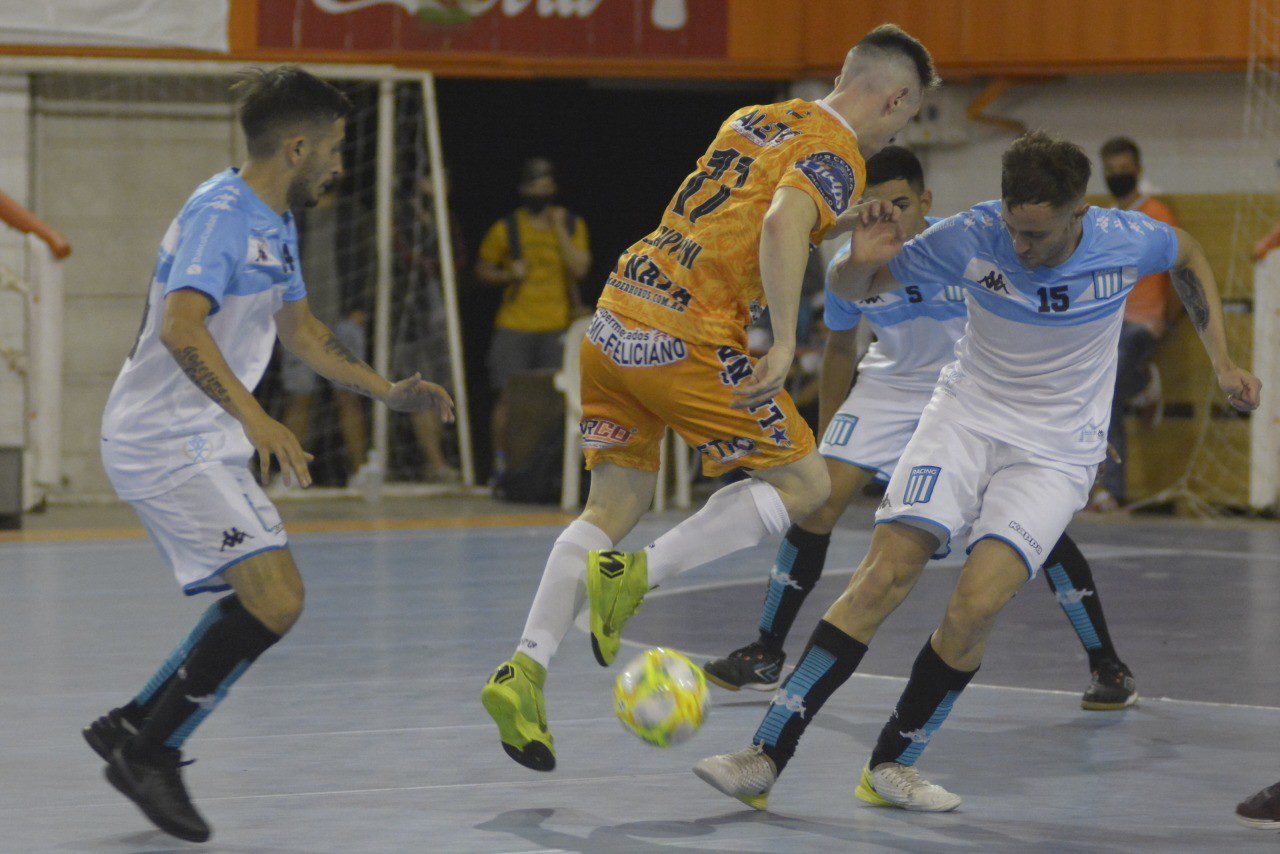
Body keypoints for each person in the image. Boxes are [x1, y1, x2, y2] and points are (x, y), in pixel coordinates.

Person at [694, 130, 1259, 813]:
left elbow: (1189, 256)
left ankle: (892, 767)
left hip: (1055, 452)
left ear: (1078, 214)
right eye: (1014, 229)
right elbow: (858, 287)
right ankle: (766, 754)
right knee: (882, 578)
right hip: (964, 420)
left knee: (976, 605)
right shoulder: (972, 235)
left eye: (1037, 235)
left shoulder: (1127, 238)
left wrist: (1224, 362)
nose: (1020, 248)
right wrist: (853, 267)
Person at [481, 24, 937, 773]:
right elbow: (781, 221)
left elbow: (741, 213)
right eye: (909, 112)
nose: (902, 124)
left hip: (617, 311)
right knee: (807, 485)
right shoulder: (839, 152)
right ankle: (635, 579)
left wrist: (846, 221)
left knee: (612, 506)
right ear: (894, 97)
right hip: (689, 334)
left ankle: (523, 671)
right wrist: (786, 338)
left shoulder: (753, 117)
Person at [87, 66, 453, 842]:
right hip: (163, 441)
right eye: (334, 151)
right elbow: (182, 328)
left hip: (202, 439)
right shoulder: (222, 214)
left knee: (263, 595)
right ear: (296, 147)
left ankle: (133, 725)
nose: (339, 166)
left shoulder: (274, 215)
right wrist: (258, 420)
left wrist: (387, 392)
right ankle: (150, 753)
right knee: (277, 597)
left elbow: (303, 334)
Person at [704, 145, 1137, 711]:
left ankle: (1107, 662)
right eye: (874, 207)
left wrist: (1074, 423)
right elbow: (839, 347)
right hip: (889, 386)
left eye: (902, 204)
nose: (890, 218)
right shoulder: (859, 262)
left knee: (1031, 529)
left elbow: (1049, 339)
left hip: (977, 395)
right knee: (816, 500)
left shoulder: (968, 245)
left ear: (925, 201)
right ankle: (766, 650)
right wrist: (828, 437)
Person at [475, 157, 591, 484]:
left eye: (547, 183)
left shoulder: (569, 224)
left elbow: (580, 268)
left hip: (558, 325)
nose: (542, 190)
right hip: (515, 324)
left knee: (559, 402)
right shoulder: (507, 228)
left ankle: (547, 471)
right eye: (535, 184)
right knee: (507, 398)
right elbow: (482, 270)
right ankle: (502, 468)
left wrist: (557, 230)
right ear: (524, 189)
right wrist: (507, 273)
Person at [1091, 136, 1180, 509]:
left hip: (1145, 320)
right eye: (1111, 171)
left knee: (1114, 368)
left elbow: (1180, 271)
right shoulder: (1103, 219)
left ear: (1138, 171)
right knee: (1100, 388)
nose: (1118, 177)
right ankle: (1110, 490)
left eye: (1124, 170)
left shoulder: (1157, 215)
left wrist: (1170, 320)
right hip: (1110, 321)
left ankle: (1144, 387)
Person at [278, 188, 371, 489]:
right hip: (301, 321)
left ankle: (360, 473)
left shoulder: (352, 214)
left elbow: (369, 261)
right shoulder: (292, 214)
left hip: (342, 320)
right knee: (299, 397)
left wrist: (360, 308)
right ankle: (290, 474)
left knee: (348, 397)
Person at [394, 173, 465, 483]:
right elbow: (405, 259)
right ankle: (433, 461)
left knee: (441, 389)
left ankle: (437, 460)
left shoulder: (445, 219)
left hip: (440, 318)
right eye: (428, 180)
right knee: (420, 388)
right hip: (409, 320)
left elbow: (458, 259)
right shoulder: (400, 216)